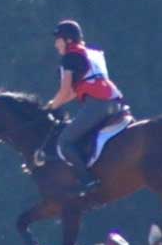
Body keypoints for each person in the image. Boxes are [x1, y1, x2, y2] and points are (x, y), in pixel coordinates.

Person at [46, 20, 124, 197]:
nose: (55, 44)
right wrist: (56, 103)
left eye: (57, 39)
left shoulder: (70, 58)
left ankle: (88, 182)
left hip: (98, 104)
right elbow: (74, 92)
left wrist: (51, 106)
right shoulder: (90, 54)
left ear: (67, 40)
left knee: (65, 142)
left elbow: (66, 90)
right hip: (115, 101)